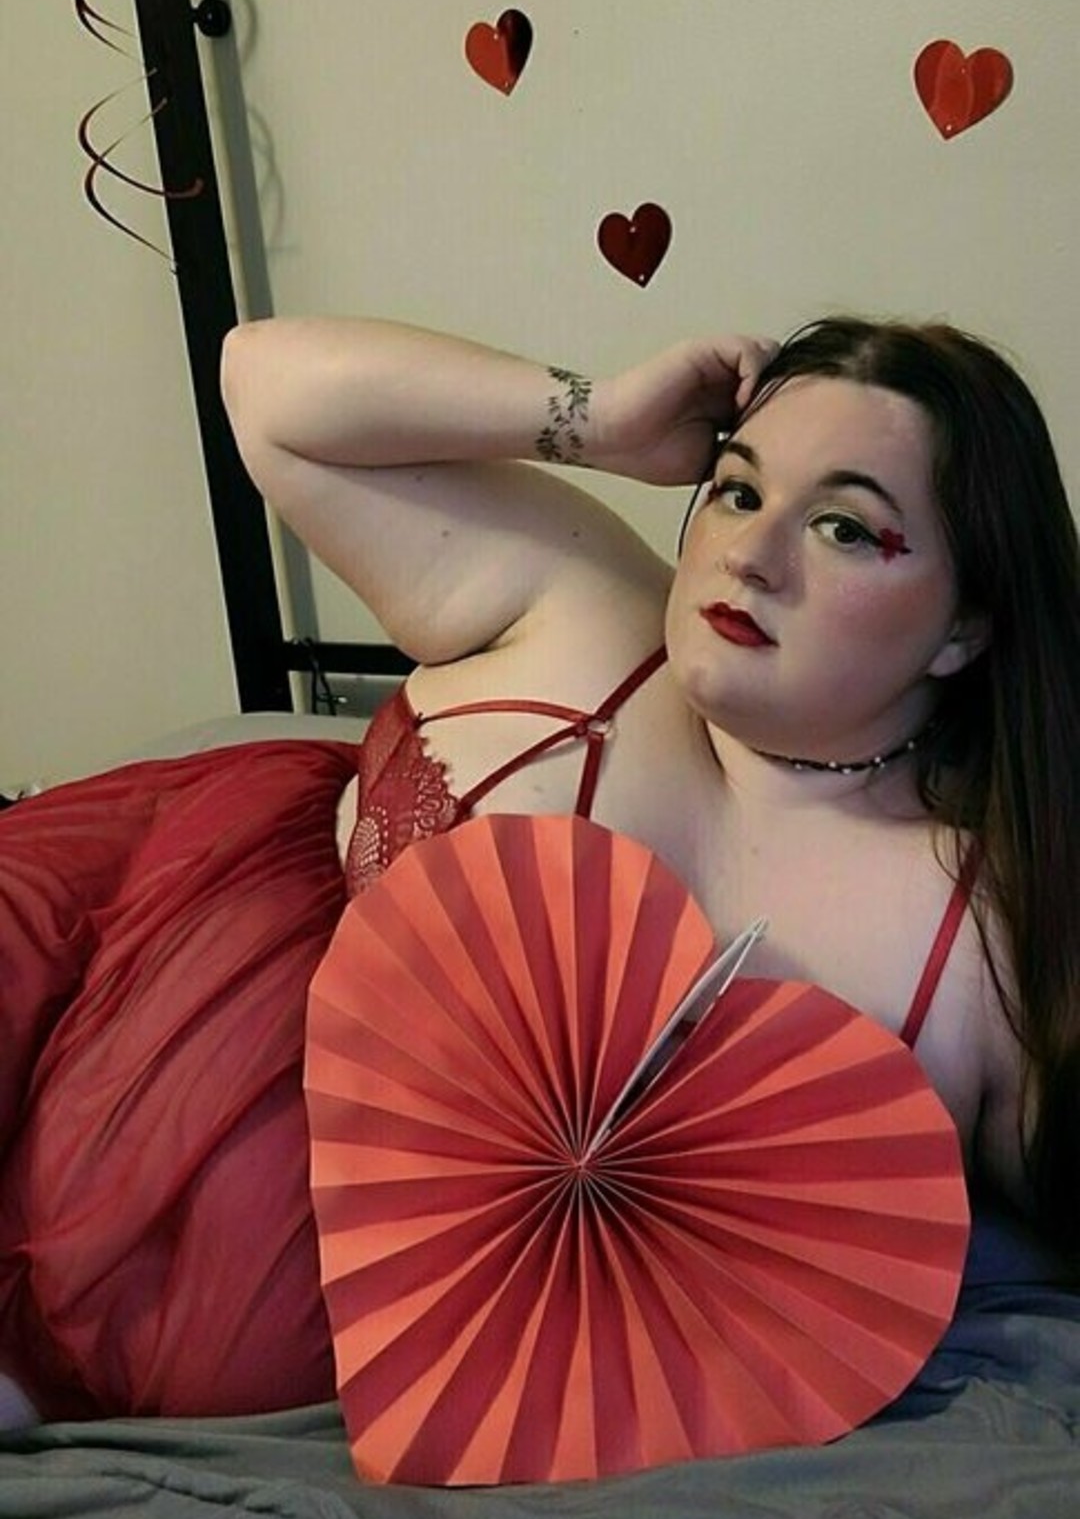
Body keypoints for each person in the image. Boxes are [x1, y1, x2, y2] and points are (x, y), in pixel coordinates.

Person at [220, 309, 1080, 1262]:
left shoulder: (983, 947)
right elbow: (263, 385)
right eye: (738, 490)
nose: (749, 555)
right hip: (203, 1086)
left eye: (842, 527)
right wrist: (604, 420)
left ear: (965, 627)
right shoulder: (579, 599)